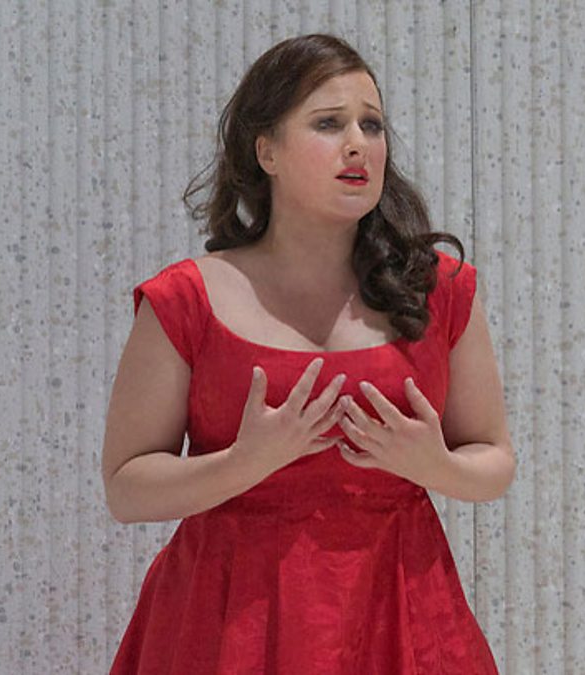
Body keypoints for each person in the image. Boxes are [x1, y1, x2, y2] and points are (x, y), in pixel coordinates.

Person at [100, 33, 515, 673]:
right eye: (328, 123)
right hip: (228, 624)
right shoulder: (184, 299)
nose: (358, 144)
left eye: (371, 125)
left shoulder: (441, 290)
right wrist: (242, 464)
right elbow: (126, 489)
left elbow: (494, 460)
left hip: (400, 613)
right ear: (265, 150)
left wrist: (434, 465)